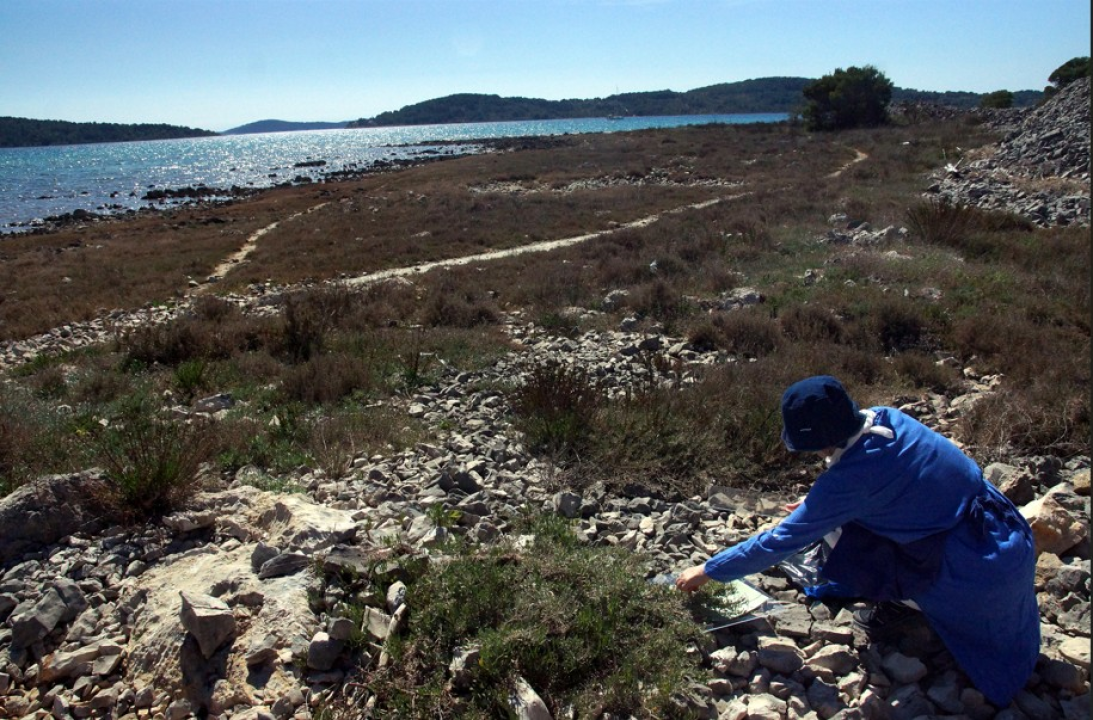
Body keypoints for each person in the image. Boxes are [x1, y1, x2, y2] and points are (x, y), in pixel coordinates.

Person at [676, 375, 1040, 708]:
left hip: (974, 572)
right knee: (839, 523)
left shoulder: (850, 479)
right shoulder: (886, 418)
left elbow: (779, 542)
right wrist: (817, 503)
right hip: (1005, 536)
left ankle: (902, 605)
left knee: (835, 536)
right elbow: (903, 482)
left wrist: (708, 570)